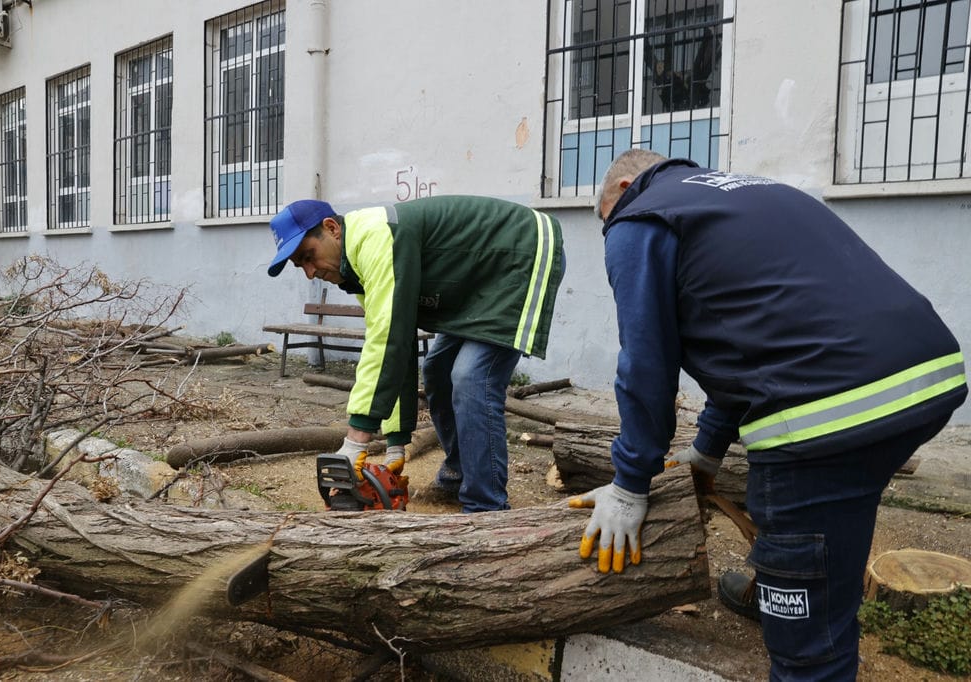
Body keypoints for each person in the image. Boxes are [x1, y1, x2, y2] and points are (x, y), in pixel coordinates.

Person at [571, 149, 967, 680]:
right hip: (931, 376)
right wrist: (707, 448)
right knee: (836, 517)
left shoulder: (639, 218)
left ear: (621, 188)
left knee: (807, 640)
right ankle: (800, 589)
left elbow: (645, 361)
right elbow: (755, 338)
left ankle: (808, 636)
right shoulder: (749, 192)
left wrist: (629, 483)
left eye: (604, 223)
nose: (609, 234)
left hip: (830, 406)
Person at [266, 196, 564, 513]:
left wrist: (356, 441)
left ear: (331, 228)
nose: (310, 272)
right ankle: (458, 475)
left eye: (308, 256)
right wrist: (396, 440)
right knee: (437, 371)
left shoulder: (376, 238)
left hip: (521, 251)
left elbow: (387, 340)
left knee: (471, 377)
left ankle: (485, 506)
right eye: (301, 266)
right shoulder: (354, 266)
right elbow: (399, 343)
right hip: (474, 279)